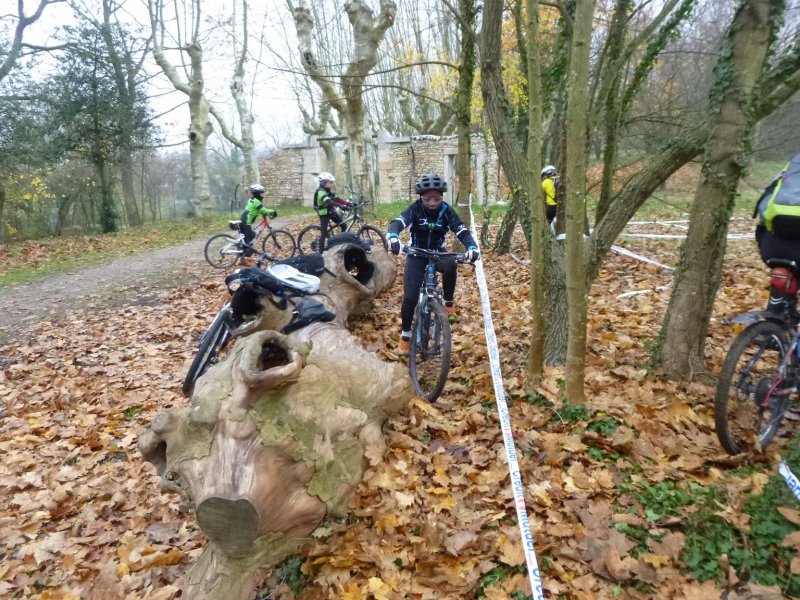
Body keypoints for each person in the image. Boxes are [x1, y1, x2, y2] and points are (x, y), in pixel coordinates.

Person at [387, 173, 480, 356]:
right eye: (427, 199)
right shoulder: (415, 209)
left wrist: (472, 247)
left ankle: (448, 303)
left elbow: (461, 230)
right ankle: (405, 337)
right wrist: (393, 236)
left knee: (451, 264)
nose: (431, 203)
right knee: (410, 298)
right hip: (416, 254)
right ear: (421, 197)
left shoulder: (446, 211)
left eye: (436, 199)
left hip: (438, 252)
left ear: (442, 197)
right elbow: (398, 222)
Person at [754, 154, 800, 317]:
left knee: (784, 276)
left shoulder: (792, 166)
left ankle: (773, 323)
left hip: (772, 249)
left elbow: (764, 208)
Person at [313, 172, 351, 252]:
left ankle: (340, 245)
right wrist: (340, 206)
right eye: (330, 182)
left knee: (344, 226)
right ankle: (320, 254)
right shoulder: (321, 191)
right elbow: (329, 201)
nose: (332, 184)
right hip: (324, 214)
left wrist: (348, 204)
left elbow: (337, 199)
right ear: (324, 182)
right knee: (324, 233)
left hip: (331, 211)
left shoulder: (328, 190)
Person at [240, 184, 277, 260]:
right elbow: (263, 210)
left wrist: (265, 213)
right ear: (257, 194)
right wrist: (272, 211)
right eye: (261, 193)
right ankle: (245, 256)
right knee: (249, 240)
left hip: (244, 220)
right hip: (246, 222)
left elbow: (259, 210)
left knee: (250, 237)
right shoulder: (256, 201)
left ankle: (243, 256)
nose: (262, 195)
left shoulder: (253, 199)